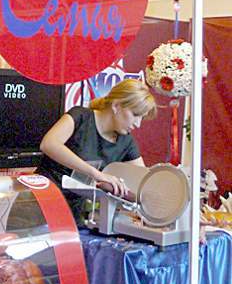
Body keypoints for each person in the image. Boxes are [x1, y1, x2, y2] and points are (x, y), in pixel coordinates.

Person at [37, 79, 157, 222]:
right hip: (43, 199)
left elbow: (144, 182)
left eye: (142, 118)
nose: (138, 124)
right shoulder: (80, 116)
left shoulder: (126, 141)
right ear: (116, 105)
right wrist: (97, 174)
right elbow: (49, 144)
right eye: (135, 114)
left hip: (75, 213)